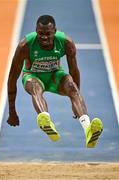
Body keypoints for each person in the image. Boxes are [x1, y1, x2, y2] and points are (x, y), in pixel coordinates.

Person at [7, 15, 103, 148]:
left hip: (54, 75)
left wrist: (75, 98)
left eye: (48, 34)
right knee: (36, 88)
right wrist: (12, 111)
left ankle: (88, 130)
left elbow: (74, 71)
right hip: (33, 76)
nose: (44, 37)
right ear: (36, 30)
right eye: (40, 33)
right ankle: (46, 121)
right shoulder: (25, 45)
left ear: (55, 31)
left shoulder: (66, 43)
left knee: (71, 85)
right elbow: (12, 78)